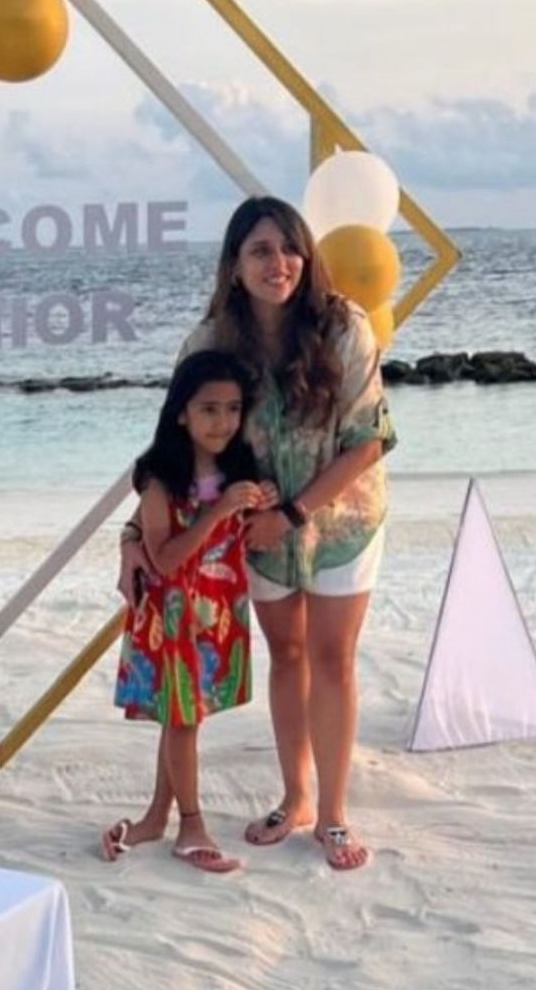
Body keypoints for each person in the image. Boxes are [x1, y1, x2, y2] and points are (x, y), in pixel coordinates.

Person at [117, 195, 396, 871]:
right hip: (254, 535)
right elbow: (173, 448)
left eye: (290, 248)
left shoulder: (342, 327)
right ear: (235, 266)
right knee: (287, 654)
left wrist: (294, 513)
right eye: (261, 251)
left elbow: (371, 440)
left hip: (342, 522)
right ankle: (294, 797)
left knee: (332, 657)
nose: (280, 263)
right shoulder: (212, 342)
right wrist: (133, 533)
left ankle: (331, 815)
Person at [99, 350, 272, 874]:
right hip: (173, 617)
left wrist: (260, 500)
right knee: (183, 721)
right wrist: (220, 510)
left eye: (233, 409)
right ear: (182, 414)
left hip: (215, 615)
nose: (223, 422)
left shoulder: (233, 468)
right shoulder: (160, 481)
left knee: (183, 721)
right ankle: (190, 825)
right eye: (209, 410)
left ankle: (155, 818)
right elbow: (167, 560)